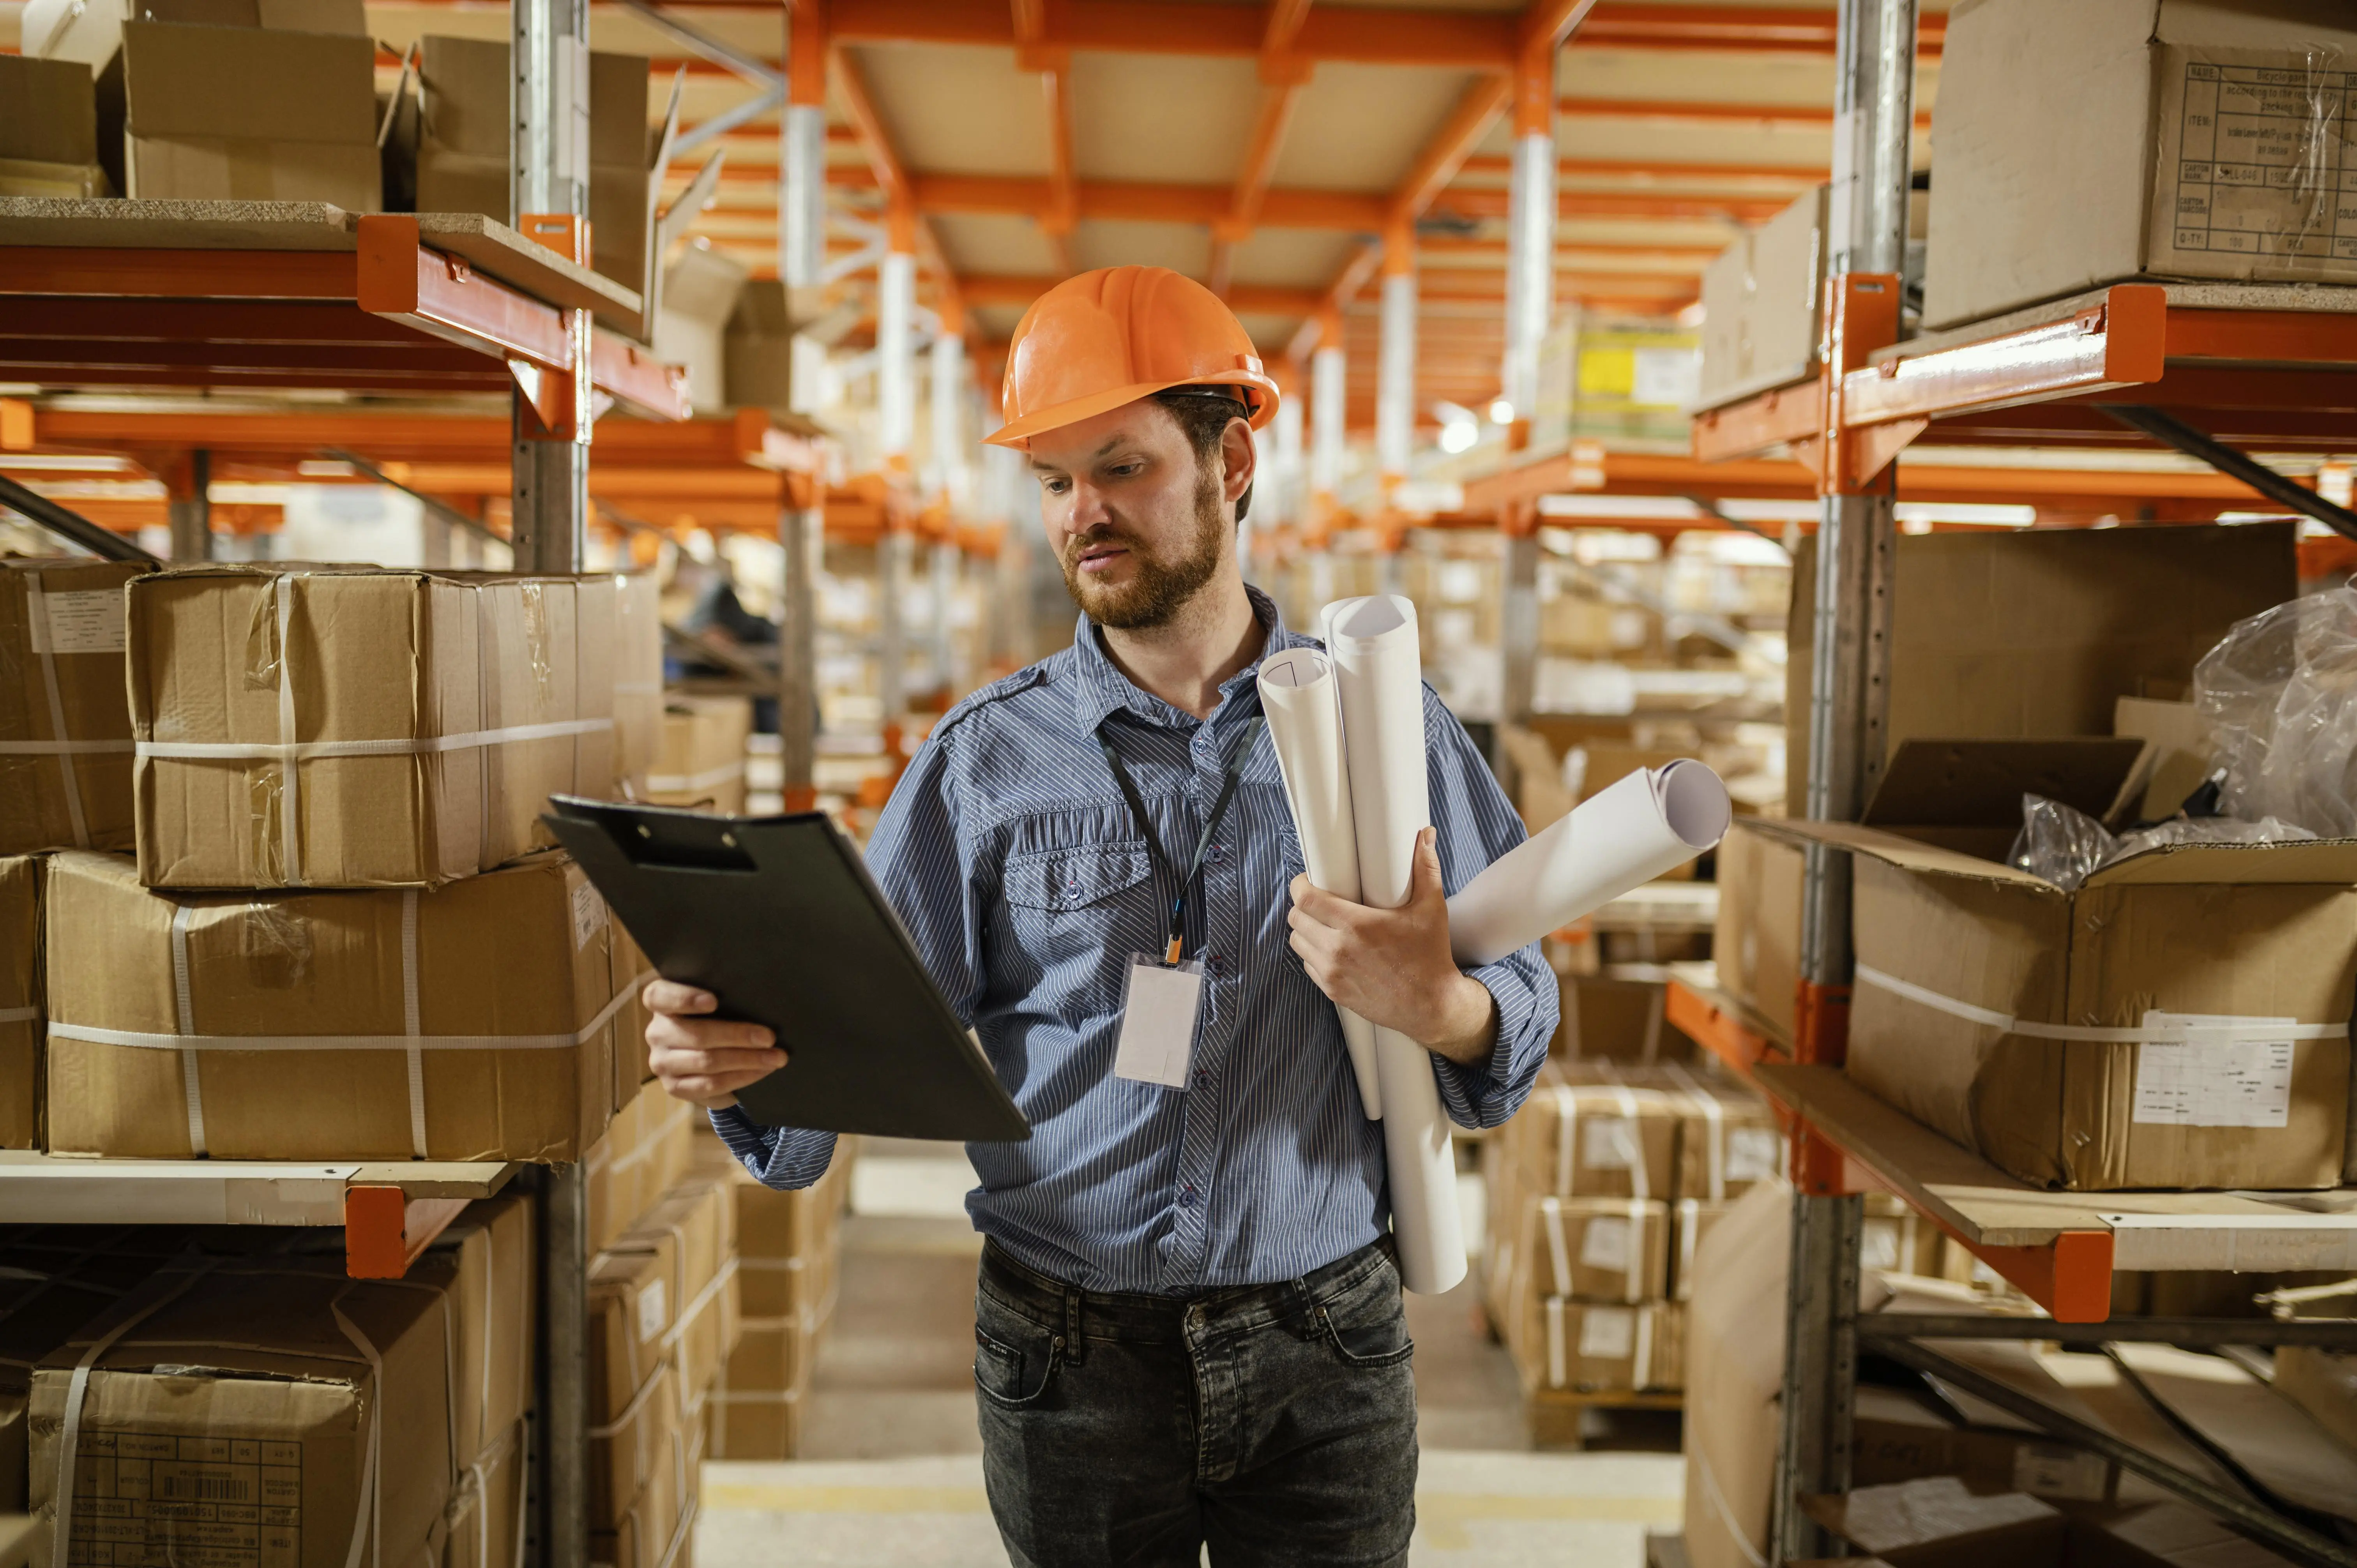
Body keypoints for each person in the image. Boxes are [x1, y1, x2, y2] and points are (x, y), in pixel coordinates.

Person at [643, 265, 1556, 1567]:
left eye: (1120, 468)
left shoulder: (1385, 733)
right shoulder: (980, 763)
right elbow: (852, 1037)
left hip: (1326, 1347)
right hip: (1064, 1353)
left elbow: (1520, 1024)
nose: (1085, 516)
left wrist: (1446, 1008)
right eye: (1058, 483)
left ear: (1231, 461)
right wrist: (742, 1060)